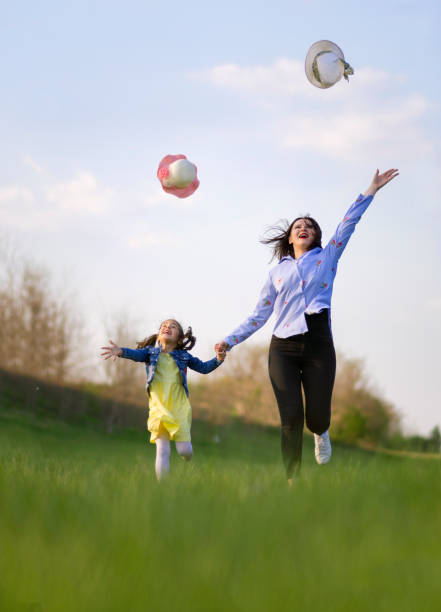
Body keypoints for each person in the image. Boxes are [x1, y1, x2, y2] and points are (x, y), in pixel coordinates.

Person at [215, 169, 399, 484]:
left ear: (317, 236)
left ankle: (321, 431)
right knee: (290, 418)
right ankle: (292, 480)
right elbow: (259, 314)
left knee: (316, 416)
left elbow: (348, 223)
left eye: (310, 226)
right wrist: (229, 341)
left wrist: (371, 189)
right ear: (289, 237)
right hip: (282, 348)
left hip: (317, 344)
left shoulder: (328, 257)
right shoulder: (276, 273)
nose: (304, 228)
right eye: (298, 226)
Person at [102, 319, 226, 480]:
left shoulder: (184, 356)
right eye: (164, 326)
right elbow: (136, 355)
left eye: (172, 327)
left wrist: (218, 359)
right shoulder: (150, 353)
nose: (167, 328)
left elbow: (203, 368)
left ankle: (187, 456)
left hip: (179, 409)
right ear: (159, 334)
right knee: (162, 450)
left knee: (184, 451)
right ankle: (163, 488)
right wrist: (121, 351)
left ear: (179, 338)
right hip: (158, 409)